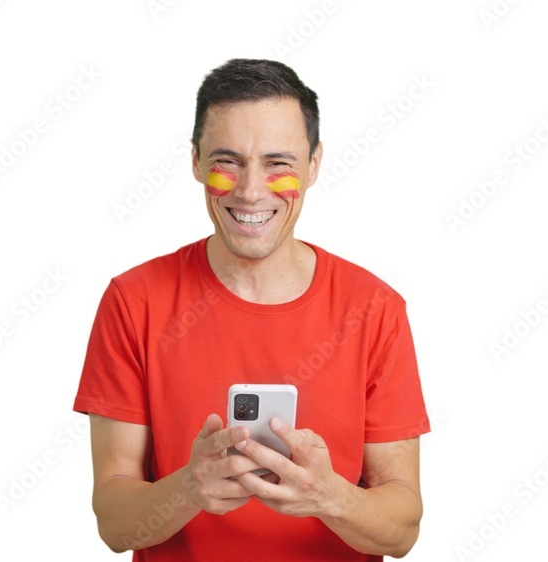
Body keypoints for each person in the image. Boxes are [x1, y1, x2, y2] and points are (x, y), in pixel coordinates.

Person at [73, 59, 430, 561]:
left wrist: (328, 497)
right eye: (228, 161)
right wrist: (189, 489)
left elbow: (403, 530)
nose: (250, 191)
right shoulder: (134, 302)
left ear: (314, 164)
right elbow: (114, 523)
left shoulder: (376, 309)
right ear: (196, 161)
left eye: (277, 163)